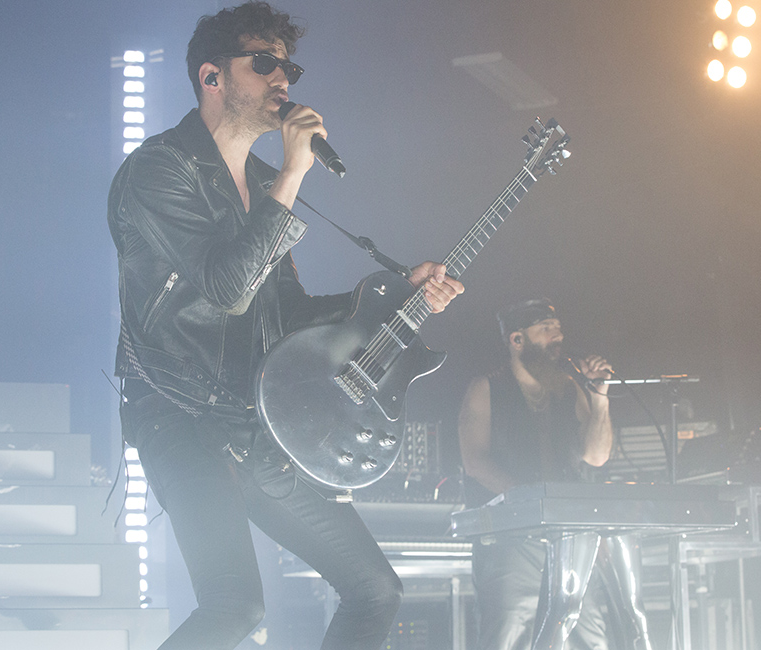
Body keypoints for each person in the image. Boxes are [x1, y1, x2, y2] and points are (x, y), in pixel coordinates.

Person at [107, 3, 463, 649]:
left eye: (288, 67)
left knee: (375, 590)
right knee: (234, 608)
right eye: (264, 63)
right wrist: (295, 172)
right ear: (212, 76)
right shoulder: (160, 170)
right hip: (180, 416)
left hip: (255, 420)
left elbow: (285, 315)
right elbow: (226, 291)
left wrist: (394, 299)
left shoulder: (266, 181)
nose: (283, 81)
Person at [457, 298, 651, 650]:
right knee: (507, 638)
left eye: (558, 328)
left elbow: (596, 456)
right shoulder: (486, 388)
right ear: (517, 340)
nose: (557, 336)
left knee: (589, 639)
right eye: (546, 329)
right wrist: (532, 504)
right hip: (511, 540)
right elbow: (475, 463)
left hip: (570, 541)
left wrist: (600, 397)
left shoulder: (569, 387)